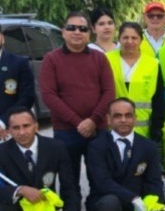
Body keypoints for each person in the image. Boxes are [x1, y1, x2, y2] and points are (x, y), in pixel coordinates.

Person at [39, 11, 116, 173]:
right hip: (65, 131)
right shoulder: (51, 59)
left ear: (89, 34)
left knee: (100, 178)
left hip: (97, 129)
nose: (77, 32)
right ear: (63, 32)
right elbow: (49, 95)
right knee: (69, 180)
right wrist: (78, 122)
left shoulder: (100, 58)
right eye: (71, 28)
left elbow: (109, 92)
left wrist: (93, 121)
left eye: (82, 29)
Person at [84, 98, 164, 211]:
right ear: (108, 119)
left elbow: (154, 182)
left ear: (135, 118)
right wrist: (133, 198)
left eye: (128, 115)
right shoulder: (96, 146)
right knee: (110, 202)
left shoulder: (148, 146)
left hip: (137, 210)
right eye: (117, 116)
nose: (123, 120)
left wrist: (155, 206)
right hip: (107, 206)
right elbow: (102, 182)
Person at [106, 22, 165, 140]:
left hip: (143, 131)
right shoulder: (106, 59)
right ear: (119, 39)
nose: (130, 41)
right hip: (112, 129)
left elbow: (158, 98)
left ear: (141, 40)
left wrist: (157, 127)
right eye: (125, 37)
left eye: (134, 38)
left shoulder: (152, 64)